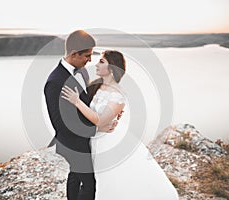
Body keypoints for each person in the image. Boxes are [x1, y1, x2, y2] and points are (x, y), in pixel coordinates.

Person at [61, 50, 179, 199]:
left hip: (109, 140)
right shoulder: (95, 86)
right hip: (94, 138)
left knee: (109, 179)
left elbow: (100, 120)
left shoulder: (118, 94)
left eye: (101, 62)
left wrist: (76, 101)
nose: (96, 64)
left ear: (112, 68)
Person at [44, 30, 117, 200]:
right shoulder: (54, 81)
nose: (90, 60)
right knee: (90, 184)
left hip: (84, 140)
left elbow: (86, 102)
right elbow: (59, 123)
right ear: (74, 54)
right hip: (72, 143)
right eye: (87, 55)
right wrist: (97, 128)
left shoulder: (82, 71)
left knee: (75, 177)